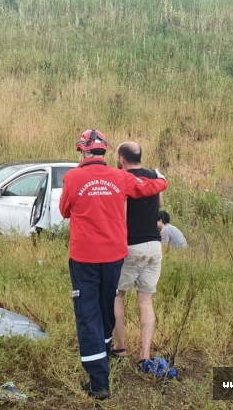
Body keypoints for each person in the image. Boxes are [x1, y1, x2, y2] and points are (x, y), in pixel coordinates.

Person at [59, 129, 168, 400]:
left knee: (87, 315)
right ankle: (106, 351)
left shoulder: (72, 178)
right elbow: (150, 187)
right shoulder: (121, 177)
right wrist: (162, 178)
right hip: (114, 258)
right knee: (106, 307)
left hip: (85, 259)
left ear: (82, 150)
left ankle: (99, 382)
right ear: (105, 152)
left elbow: (64, 211)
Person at [112, 142, 165, 373]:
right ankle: (145, 356)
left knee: (118, 295)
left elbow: (120, 211)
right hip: (154, 246)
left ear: (122, 159)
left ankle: (120, 348)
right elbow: (160, 203)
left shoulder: (122, 178)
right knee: (146, 301)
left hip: (130, 246)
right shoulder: (154, 176)